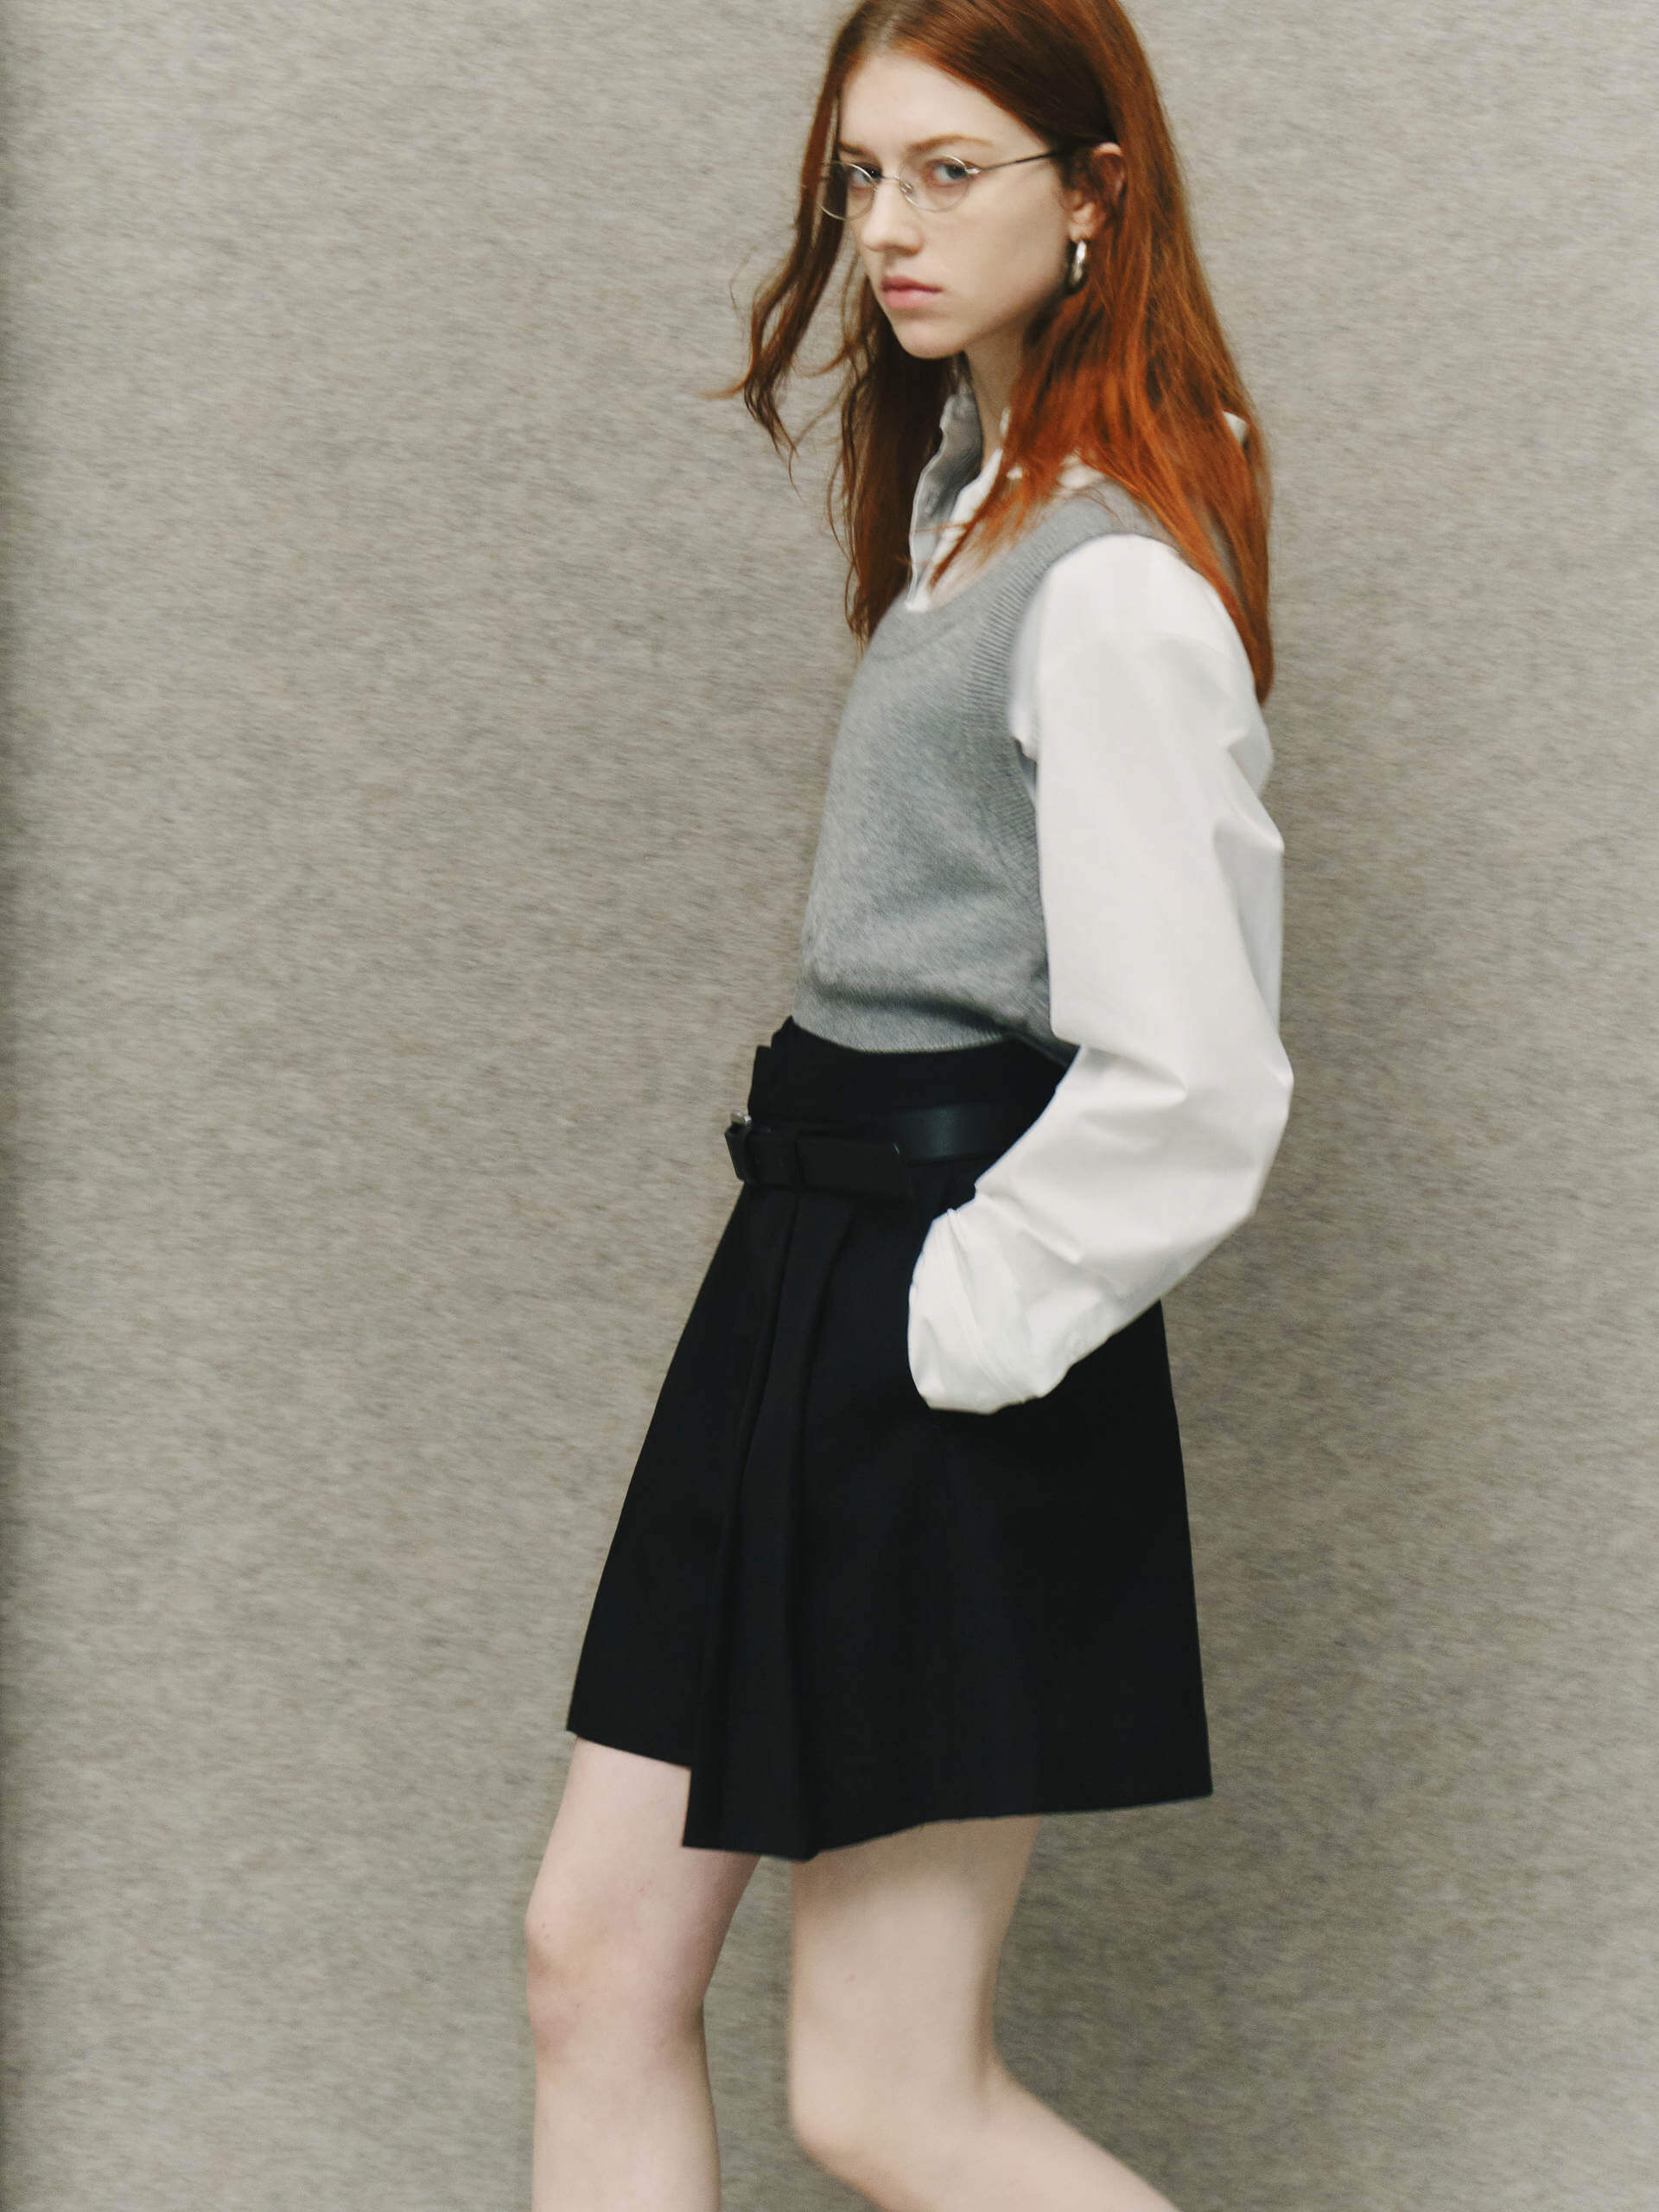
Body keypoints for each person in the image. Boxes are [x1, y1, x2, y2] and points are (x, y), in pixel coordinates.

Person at [524, 1, 1293, 2204]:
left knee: (884, 2092)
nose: (889, 226)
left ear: (1096, 193)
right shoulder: (972, 506)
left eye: (952, 170)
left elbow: (1197, 1072)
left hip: (942, 1308)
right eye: (864, 175)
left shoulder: (1113, 586)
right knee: (595, 1957)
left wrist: (950, 1327)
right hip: (798, 1265)